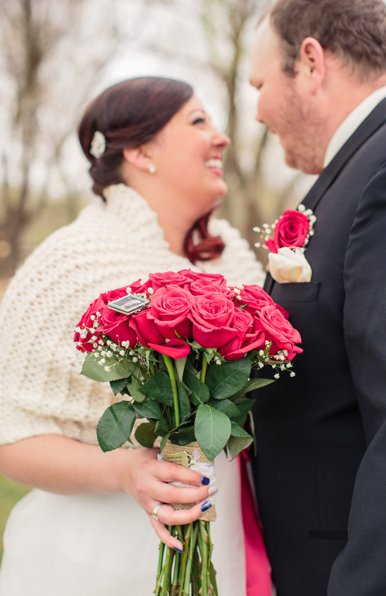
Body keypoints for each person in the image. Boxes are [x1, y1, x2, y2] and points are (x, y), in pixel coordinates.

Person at [0, 76, 265, 595]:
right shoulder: (71, 261)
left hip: (227, 539)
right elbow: (8, 435)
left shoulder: (231, 253)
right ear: (142, 151)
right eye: (197, 121)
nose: (222, 137)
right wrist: (126, 471)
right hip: (97, 558)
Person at [246, 1, 386, 594]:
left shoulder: (383, 167)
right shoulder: (352, 169)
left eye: (259, 84)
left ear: (310, 62)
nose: (256, 110)